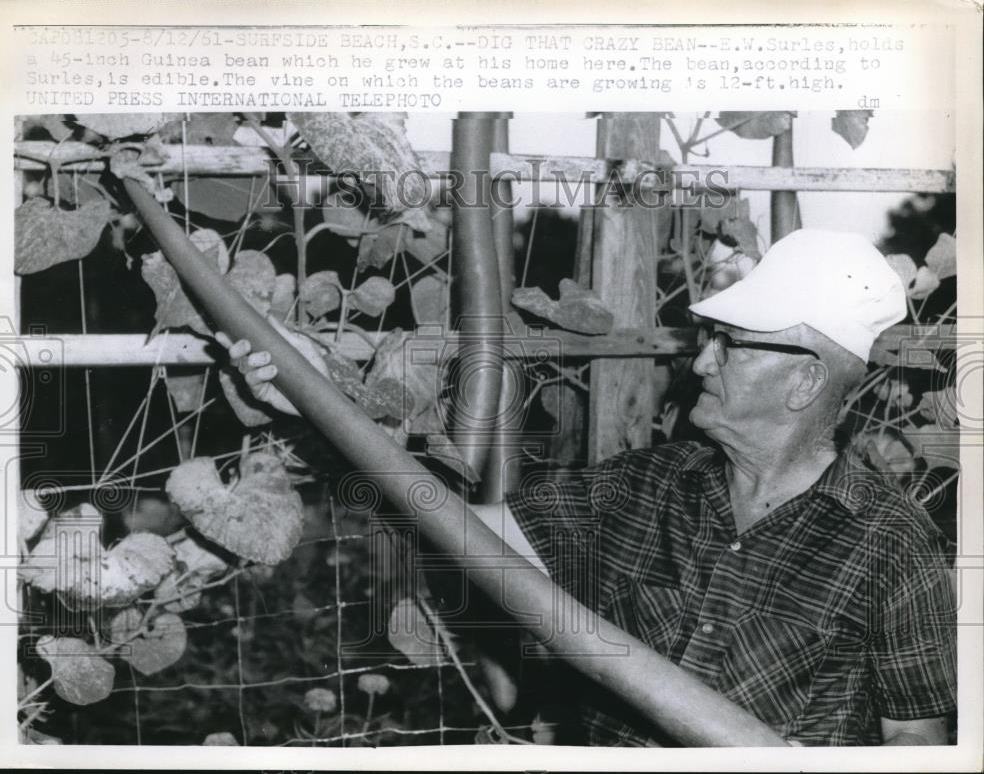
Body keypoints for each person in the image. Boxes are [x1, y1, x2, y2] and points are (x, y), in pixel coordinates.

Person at [217, 229, 957, 746]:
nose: (701, 362)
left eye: (732, 344)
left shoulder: (891, 543)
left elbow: (917, 738)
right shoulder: (641, 488)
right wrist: (314, 409)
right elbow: (452, 527)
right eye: (709, 339)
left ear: (804, 379)